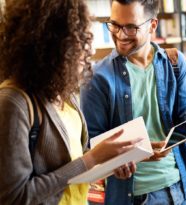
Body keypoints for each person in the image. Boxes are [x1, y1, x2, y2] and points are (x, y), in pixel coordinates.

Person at [80, 0, 186, 204]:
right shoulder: (96, 78)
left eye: (131, 27)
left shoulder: (174, 63)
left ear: (153, 25)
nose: (120, 35)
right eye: (115, 24)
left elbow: (184, 115)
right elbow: (91, 146)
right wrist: (116, 161)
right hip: (136, 195)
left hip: (182, 185)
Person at [0, 1, 140, 204]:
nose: (90, 51)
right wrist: (91, 159)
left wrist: (108, 162)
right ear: (50, 45)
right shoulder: (13, 104)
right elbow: (14, 197)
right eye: (79, 40)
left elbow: (75, 159)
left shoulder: (65, 94)